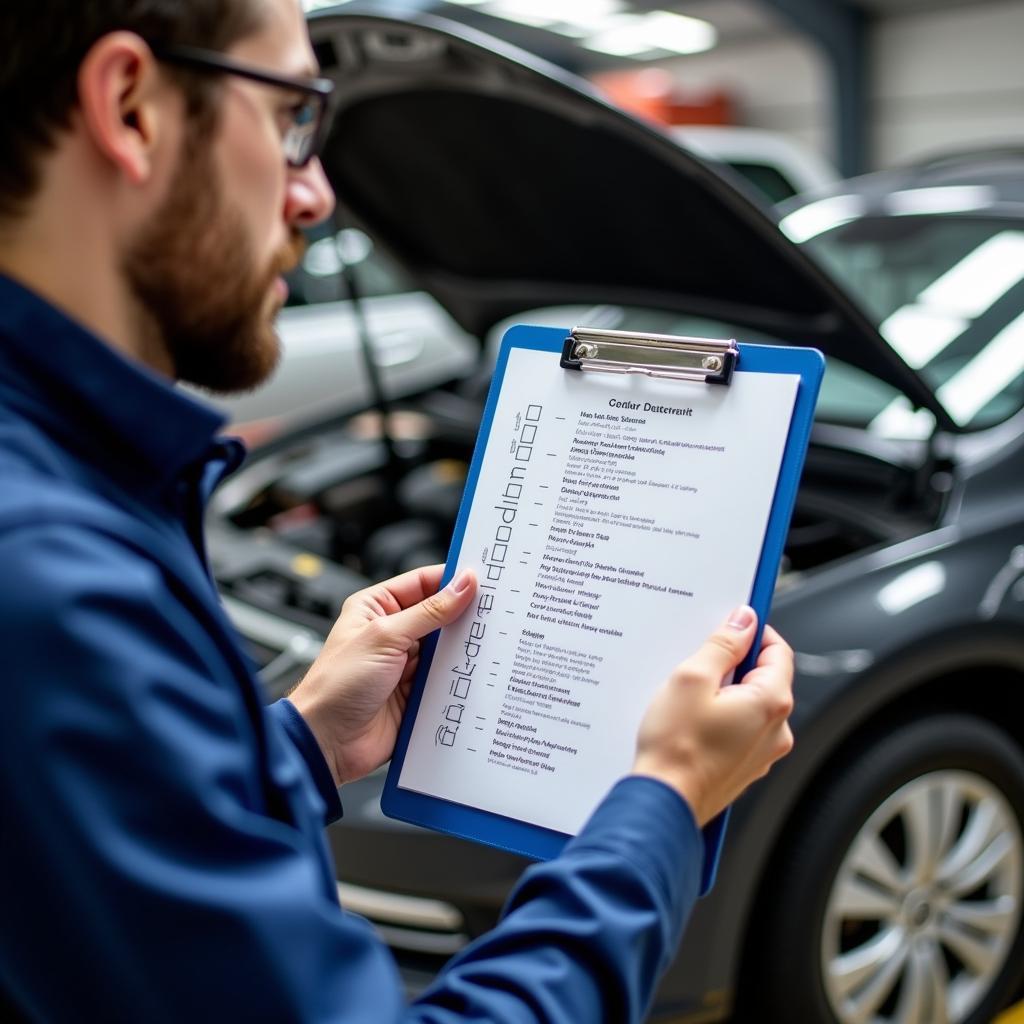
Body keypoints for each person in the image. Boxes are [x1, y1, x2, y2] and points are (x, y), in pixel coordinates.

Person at [0, 2, 795, 1021]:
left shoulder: (68, 487)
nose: (318, 194)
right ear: (131, 108)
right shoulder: (53, 581)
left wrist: (296, 746)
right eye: (294, 118)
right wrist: (663, 804)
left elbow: (107, 884)